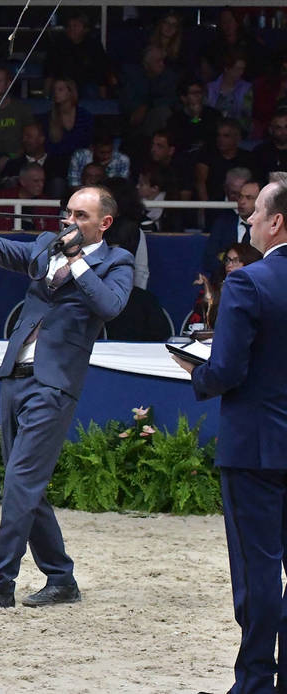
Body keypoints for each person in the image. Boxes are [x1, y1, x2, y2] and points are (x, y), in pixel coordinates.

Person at [0, 158, 133, 614]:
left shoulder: (116, 262)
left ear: (104, 223)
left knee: (21, 482)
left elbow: (110, 307)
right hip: (15, 375)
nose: (68, 221)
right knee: (24, 485)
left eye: (80, 216)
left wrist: (76, 263)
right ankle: (61, 579)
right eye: (67, 213)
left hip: (55, 384)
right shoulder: (46, 244)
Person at [171, 180, 287, 694]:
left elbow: (227, 370)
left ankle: (256, 681)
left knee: (258, 569)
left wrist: (196, 370)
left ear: (276, 221)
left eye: (256, 213)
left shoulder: (249, 282)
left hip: (257, 446)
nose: (252, 222)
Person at [188, 241, 261, 329]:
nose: (229, 265)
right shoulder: (218, 289)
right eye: (228, 260)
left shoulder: (258, 293)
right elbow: (201, 322)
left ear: (249, 263)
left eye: (236, 261)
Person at [43, 11, 114, 99]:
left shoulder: (93, 46)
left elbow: (101, 75)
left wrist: (103, 101)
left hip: (86, 87)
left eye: (75, 26)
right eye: (69, 26)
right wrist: (45, 96)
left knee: (90, 90)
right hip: (64, 85)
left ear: (85, 29)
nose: (71, 29)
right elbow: (50, 72)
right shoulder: (59, 45)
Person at [204, 179, 260, 277]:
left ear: (260, 201)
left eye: (249, 198)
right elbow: (209, 260)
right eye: (240, 196)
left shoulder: (267, 229)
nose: (242, 201)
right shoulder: (223, 224)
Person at [0, 162, 60, 233]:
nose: (41, 185)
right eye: (36, 181)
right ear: (22, 181)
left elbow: (52, 233)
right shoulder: (1, 199)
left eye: (43, 181)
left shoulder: (48, 204)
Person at [1, 122, 67, 198]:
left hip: (49, 208)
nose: (24, 140)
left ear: (41, 139)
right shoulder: (13, 164)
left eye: (28, 137)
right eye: (23, 137)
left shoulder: (57, 163)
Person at [207, 52, 253, 137]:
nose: (241, 72)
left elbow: (246, 116)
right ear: (227, 68)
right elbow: (200, 116)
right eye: (238, 69)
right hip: (213, 133)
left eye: (243, 69)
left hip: (238, 134)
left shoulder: (247, 88)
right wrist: (195, 120)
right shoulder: (210, 88)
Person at [252, 108, 287, 184]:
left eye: (286, 127)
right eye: (279, 128)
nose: (284, 132)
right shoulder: (260, 151)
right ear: (271, 130)